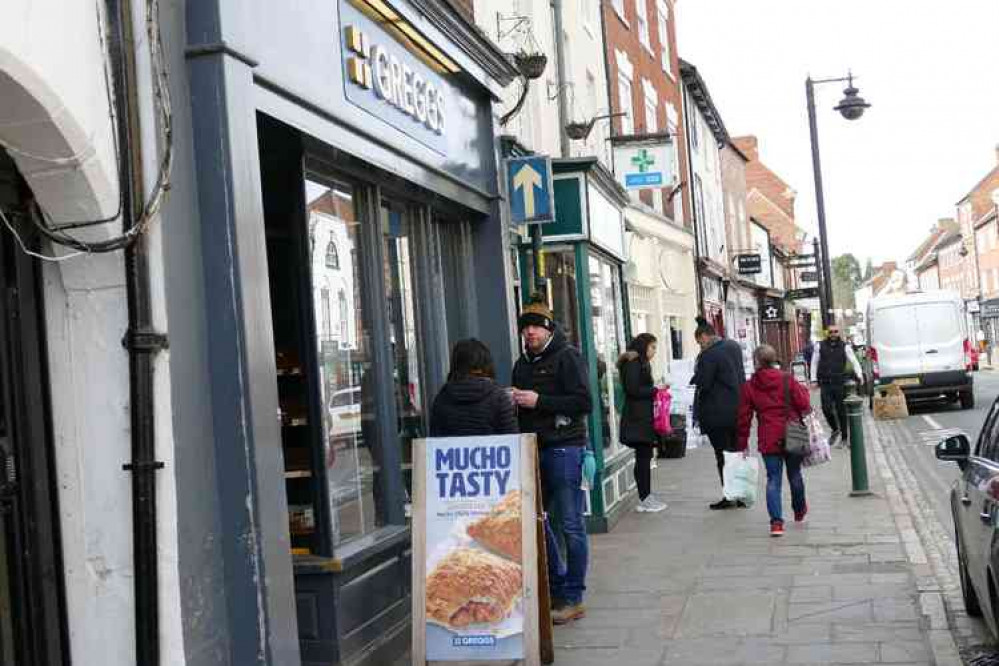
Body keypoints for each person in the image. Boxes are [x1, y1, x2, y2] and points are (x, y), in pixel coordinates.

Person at [511, 295, 593, 625]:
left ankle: (574, 596)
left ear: (548, 329)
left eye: (535, 327)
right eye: (525, 327)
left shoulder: (568, 357)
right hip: (532, 448)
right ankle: (557, 585)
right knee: (537, 520)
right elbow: (525, 407)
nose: (529, 332)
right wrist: (513, 400)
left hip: (564, 448)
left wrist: (538, 400)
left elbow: (583, 401)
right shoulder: (522, 364)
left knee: (571, 523)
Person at [737, 345, 812, 537]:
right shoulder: (787, 379)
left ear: (756, 362)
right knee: (795, 474)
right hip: (794, 431)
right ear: (774, 360)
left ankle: (776, 523)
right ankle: (799, 509)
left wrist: (742, 443)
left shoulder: (750, 386)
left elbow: (744, 417)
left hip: (768, 435)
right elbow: (804, 404)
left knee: (773, 479)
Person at [691, 317, 747, 510]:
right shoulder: (733, 346)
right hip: (738, 408)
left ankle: (729, 496)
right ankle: (740, 494)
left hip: (717, 412)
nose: (700, 346)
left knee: (722, 456)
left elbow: (704, 382)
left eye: (699, 342)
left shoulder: (709, 355)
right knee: (736, 453)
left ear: (705, 336)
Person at [618, 333, 668, 513]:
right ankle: (645, 497)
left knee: (644, 457)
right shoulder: (633, 363)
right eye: (653, 347)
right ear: (644, 346)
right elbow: (633, 389)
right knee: (643, 457)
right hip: (637, 419)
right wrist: (656, 389)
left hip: (642, 417)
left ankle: (646, 495)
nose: (654, 351)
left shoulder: (640, 362)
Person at [429, 339, 518, 437]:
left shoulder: (442, 397)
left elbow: (435, 441)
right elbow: (512, 441)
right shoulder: (498, 397)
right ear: (486, 362)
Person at [810, 324, 864, 447]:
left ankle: (844, 438)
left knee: (841, 411)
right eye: (831, 332)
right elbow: (814, 363)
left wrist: (859, 375)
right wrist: (813, 380)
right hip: (825, 383)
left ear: (839, 333)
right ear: (827, 333)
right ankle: (835, 429)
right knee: (826, 409)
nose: (833, 334)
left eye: (835, 332)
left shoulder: (845, 347)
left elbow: (854, 361)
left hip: (840, 382)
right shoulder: (820, 346)